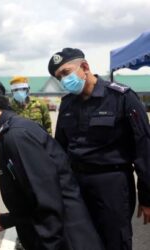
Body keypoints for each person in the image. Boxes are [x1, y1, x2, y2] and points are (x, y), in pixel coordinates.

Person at [0, 73, 104, 250]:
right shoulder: (8, 132)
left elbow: (48, 204)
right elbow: (32, 197)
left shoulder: (17, 136)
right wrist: (10, 219)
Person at [49, 48, 150, 250]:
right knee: (82, 242)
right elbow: (59, 149)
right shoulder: (67, 104)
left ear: (85, 67)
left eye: (66, 72)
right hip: (77, 185)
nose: (63, 80)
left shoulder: (121, 97)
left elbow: (144, 149)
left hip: (112, 186)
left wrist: (147, 197)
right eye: (59, 77)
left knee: (115, 242)